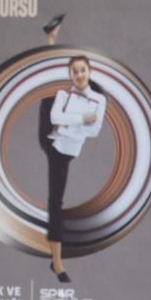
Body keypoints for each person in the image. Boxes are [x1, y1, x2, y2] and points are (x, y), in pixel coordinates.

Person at [42, 53, 107, 282]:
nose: (79, 75)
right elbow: (54, 118)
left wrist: (67, 123)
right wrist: (80, 119)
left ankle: (56, 259)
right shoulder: (63, 94)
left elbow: (94, 130)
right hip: (53, 143)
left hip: (69, 148)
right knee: (55, 201)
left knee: (58, 201)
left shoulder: (99, 100)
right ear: (70, 74)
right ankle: (57, 262)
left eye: (82, 70)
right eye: (75, 71)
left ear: (89, 71)